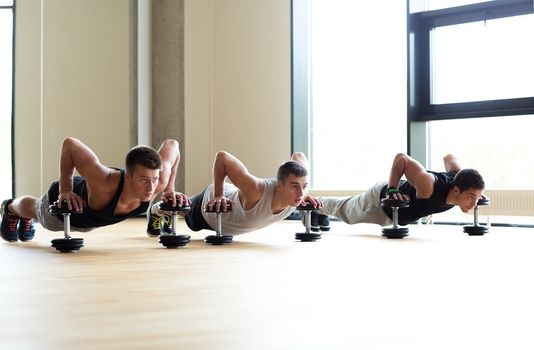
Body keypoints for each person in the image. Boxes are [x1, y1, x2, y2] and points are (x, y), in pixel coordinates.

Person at [0, 137, 189, 242]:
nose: (151, 188)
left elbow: (173, 144)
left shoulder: (158, 181)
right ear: (128, 176)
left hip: (90, 220)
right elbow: (70, 144)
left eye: (154, 180)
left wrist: (169, 189)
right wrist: (66, 190)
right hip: (64, 211)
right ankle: (10, 208)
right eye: (144, 180)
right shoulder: (104, 181)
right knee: (35, 209)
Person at [146, 150, 321, 236]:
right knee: (183, 210)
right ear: (279, 185)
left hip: (231, 213)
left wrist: (304, 192)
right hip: (208, 210)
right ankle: (156, 211)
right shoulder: (257, 190)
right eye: (294, 186)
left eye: (304, 186)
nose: (300, 192)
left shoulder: (299, 193)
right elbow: (222, 157)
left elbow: (299, 155)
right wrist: (218, 196)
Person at [314, 153, 485, 228]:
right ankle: (315, 205)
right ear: (455, 190)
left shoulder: (457, 178)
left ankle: (320, 212)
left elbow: (449, 157)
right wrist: (392, 190)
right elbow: (402, 159)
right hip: (379, 204)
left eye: (477, 198)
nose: (474, 202)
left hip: (395, 215)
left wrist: (472, 190)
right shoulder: (428, 186)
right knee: (345, 212)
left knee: (345, 206)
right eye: (471, 197)